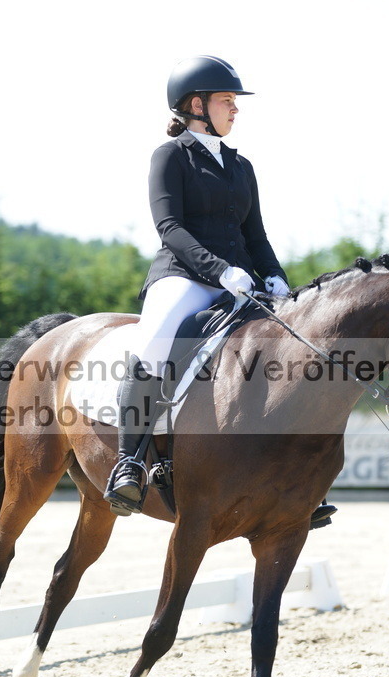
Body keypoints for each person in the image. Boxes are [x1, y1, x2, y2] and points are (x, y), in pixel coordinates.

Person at [104, 55, 335, 530]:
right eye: (227, 100)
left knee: (289, 353)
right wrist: (219, 269)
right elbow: (170, 227)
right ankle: (129, 461)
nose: (235, 109)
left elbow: (257, 235)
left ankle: (292, 483)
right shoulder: (170, 157)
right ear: (196, 105)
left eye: (234, 101)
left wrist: (274, 276)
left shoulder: (241, 166)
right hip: (184, 277)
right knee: (154, 344)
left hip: (243, 281)